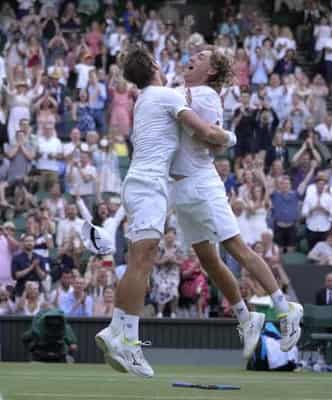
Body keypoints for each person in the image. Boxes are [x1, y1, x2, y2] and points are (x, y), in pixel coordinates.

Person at [95, 45, 234, 378]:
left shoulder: (147, 97)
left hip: (142, 185)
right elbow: (206, 132)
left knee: (140, 259)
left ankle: (117, 329)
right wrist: (229, 136)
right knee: (142, 261)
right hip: (149, 187)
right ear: (155, 66)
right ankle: (126, 339)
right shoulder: (167, 96)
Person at [170, 47, 301, 354]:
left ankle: (284, 307)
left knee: (236, 248)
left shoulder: (206, 96)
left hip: (203, 183)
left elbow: (211, 141)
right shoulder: (181, 91)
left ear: (211, 71)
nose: (193, 58)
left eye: (201, 57)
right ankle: (246, 317)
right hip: (181, 189)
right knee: (208, 261)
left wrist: (216, 132)